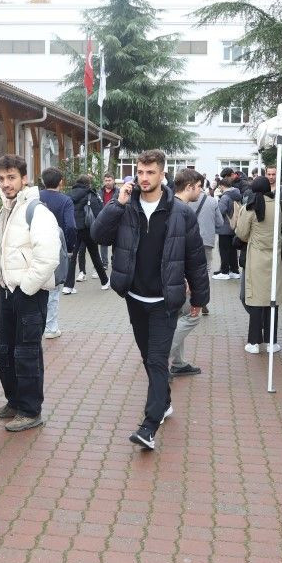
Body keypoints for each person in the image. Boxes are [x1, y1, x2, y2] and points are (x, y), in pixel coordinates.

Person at [92, 149, 209, 451]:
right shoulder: (126, 206)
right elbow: (98, 235)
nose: (144, 178)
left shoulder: (180, 212)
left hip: (165, 301)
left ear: (162, 174)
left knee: (157, 360)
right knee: (148, 357)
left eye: (150, 173)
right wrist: (115, 206)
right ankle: (165, 401)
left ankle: (149, 425)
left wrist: (199, 297)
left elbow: (195, 259)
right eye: (140, 173)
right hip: (134, 297)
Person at [0, 154, 61, 432]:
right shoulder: (5, 210)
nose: (6, 184)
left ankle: (31, 410)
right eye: (1, 179)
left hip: (29, 294)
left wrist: (26, 288)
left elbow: (48, 258)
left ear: (24, 178)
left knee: (27, 353)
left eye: (11, 177)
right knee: (4, 351)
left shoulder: (36, 211)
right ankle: (15, 401)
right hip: (8, 292)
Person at [235, 175, 282, 354]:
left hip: (255, 260)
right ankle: (272, 342)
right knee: (272, 301)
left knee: (255, 301)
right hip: (275, 259)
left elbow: (242, 234)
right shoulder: (279, 206)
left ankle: (253, 342)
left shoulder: (249, 208)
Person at [167, 168, 217, 377]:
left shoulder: (170, 206)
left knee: (179, 315)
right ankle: (161, 356)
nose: (201, 191)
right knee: (191, 315)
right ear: (189, 187)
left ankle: (177, 363)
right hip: (173, 279)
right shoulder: (182, 211)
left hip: (174, 278)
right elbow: (188, 254)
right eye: (199, 187)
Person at [37, 167, 77, 336]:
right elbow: (71, 226)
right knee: (53, 289)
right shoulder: (65, 201)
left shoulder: (35, 197)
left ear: (43, 181)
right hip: (56, 248)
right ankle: (51, 328)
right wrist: (69, 247)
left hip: (36, 247)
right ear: (61, 181)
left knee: (37, 287)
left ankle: (37, 326)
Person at [63, 174, 109, 291]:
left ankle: (68, 286)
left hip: (73, 229)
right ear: (88, 184)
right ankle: (104, 282)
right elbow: (99, 212)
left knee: (72, 257)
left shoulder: (68, 195)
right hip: (87, 229)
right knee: (94, 255)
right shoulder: (91, 194)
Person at [213, 167, 243, 280]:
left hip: (225, 228)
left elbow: (220, 211)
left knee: (224, 250)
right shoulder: (236, 194)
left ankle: (225, 272)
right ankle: (234, 271)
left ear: (222, 186)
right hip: (233, 227)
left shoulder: (225, 197)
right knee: (232, 251)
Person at [98, 173, 118, 272]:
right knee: (103, 243)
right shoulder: (99, 192)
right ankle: (104, 263)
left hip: (115, 220)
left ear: (113, 180)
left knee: (116, 242)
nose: (108, 182)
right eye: (106, 180)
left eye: (109, 180)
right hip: (103, 220)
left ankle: (114, 261)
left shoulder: (118, 191)